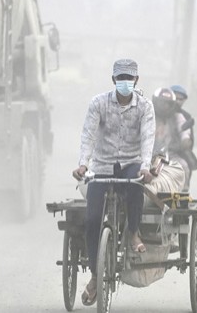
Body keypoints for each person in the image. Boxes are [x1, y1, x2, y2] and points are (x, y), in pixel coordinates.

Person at [72, 58, 155, 306]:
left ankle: (132, 232)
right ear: (113, 80)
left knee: (135, 187)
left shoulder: (145, 107)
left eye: (129, 79)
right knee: (91, 219)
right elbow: (89, 133)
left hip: (131, 163)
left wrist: (145, 166)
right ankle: (95, 275)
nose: (125, 83)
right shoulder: (98, 103)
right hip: (102, 165)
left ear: (136, 81)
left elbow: (147, 136)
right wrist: (83, 163)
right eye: (121, 79)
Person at [150, 87, 192, 190]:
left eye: (168, 103)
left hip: (169, 154)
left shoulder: (177, 116)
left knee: (184, 166)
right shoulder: (147, 114)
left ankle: (182, 195)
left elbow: (184, 130)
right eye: (162, 102)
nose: (164, 106)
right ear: (155, 101)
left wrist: (185, 140)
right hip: (147, 154)